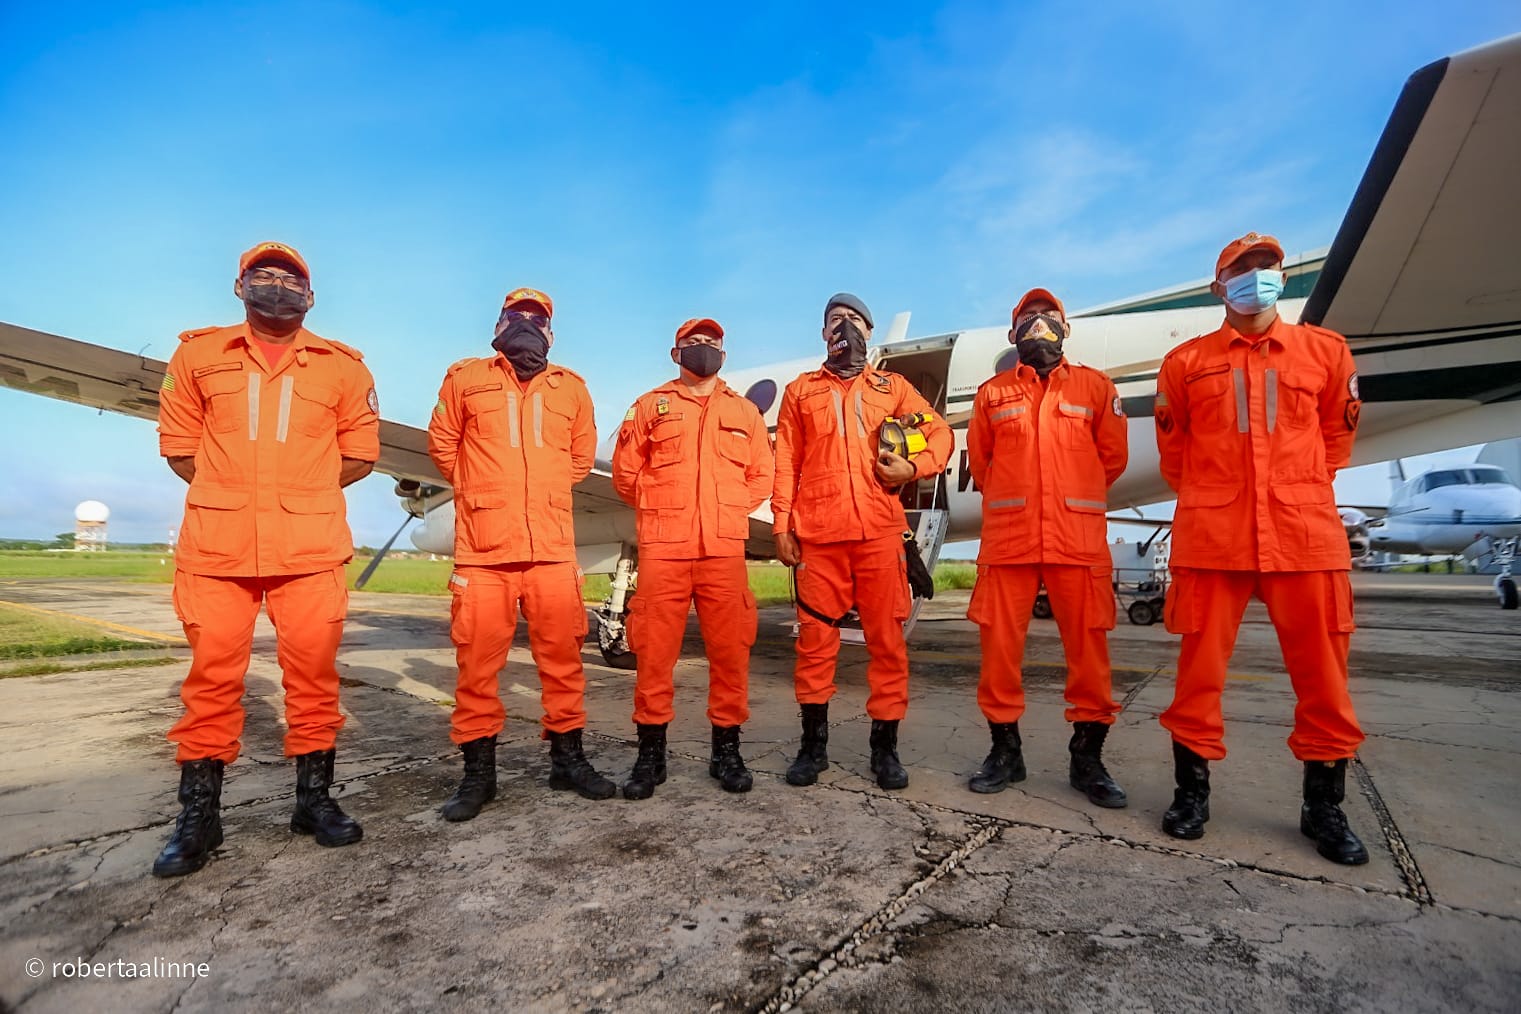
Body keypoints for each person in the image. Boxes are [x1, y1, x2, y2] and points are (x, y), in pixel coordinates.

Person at [153, 241, 379, 877]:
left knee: (313, 681)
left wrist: (294, 492)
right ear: (240, 285)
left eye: (290, 278)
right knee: (211, 684)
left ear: (310, 296)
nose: (276, 285)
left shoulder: (345, 368)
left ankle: (313, 803)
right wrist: (241, 495)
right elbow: (180, 450)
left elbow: (359, 454)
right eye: (264, 275)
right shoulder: (197, 355)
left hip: (308, 550)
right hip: (218, 549)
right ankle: (200, 817)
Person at [1155, 233, 1368, 865]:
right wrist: (1224, 496)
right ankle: (1191, 794)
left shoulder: (1324, 352)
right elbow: (1175, 457)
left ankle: (1323, 807)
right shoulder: (1185, 363)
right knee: (1198, 678)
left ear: (1282, 275)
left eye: (1266, 266)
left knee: (1325, 681)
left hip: (1304, 539)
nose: (1256, 276)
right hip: (1214, 539)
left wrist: (1291, 492)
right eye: (1241, 269)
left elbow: (1336, 441)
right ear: (1218, 286)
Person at [427, 286, 615, 818]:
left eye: (538, 317)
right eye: (518, 315)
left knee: (564, 664)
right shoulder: (465, 378)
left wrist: (540, 493)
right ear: (500, 323)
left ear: (551, 332)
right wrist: (487, 491)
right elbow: (443, 445)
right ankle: (478, 776)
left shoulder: (573, 389)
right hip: (485, 555)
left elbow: (579, 460)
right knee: (477, 667)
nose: (528, 322)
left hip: (552, 551)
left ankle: (568, 761)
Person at [772, 292, 952, 790]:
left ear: (869, 333)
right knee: (814, 645)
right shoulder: (800, 391)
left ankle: (885, 750)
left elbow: (939, 433)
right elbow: (785, 459)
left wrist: (914, 467)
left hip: (879, 535)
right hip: (819, 538)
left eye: (853, 320)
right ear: (823, 335)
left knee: (888, 644)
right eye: (834, 321)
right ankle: (813, 748)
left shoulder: (892, 388)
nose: (843, 327)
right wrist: (782, 525)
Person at [964, 288, 1130, 806]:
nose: (1040, 325)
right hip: (1009, 541)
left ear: (1066, 329)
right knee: (998, 655)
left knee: (1090, 657)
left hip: (1076, 540)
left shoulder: (1096, 387)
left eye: (1049, 317)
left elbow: (1112, 458)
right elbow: (983, 464)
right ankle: (1005, 752)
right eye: (1028, 318)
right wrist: (1022, 502)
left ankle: (1088, 760)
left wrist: (1067, 499)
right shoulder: (991, 394)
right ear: (1013, 333)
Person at [611, 317, 774, 799]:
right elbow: (625, 474)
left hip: (722, 550)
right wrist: (668, 506)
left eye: (711, 343)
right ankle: (650, 755)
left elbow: (761, 476)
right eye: (693, 342)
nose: (703, 348)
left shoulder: (743, 412)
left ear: (723, 353)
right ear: (675, 352)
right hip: (665, 548)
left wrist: (722, 510)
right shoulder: (649, 406)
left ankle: (727, 751)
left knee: (730, 655)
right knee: (654, 656)